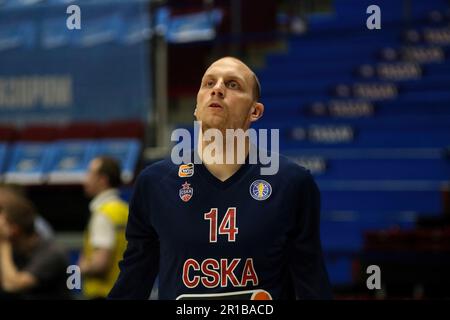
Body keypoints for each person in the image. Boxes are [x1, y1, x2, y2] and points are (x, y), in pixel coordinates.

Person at [109, 57, 332, 300]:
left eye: (233, 85)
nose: (217, 89)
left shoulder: (292, 183)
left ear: (254, 111)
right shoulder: (154, 183)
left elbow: (312, 284)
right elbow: (133, 281)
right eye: (208, 83)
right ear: (196, 107)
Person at [0, 192, 70, 299]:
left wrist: (4, 243)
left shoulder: (52, 253)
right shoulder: (14, 250)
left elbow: (12, 285)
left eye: (3, 224)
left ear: (14, 229)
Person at [79, 156, 128, 299]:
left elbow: (100, 264)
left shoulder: (103, 214)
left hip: (102, 294)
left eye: (89, 173)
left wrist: (79, 268)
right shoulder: (124, 210)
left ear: (103, 180)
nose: (85, 179)